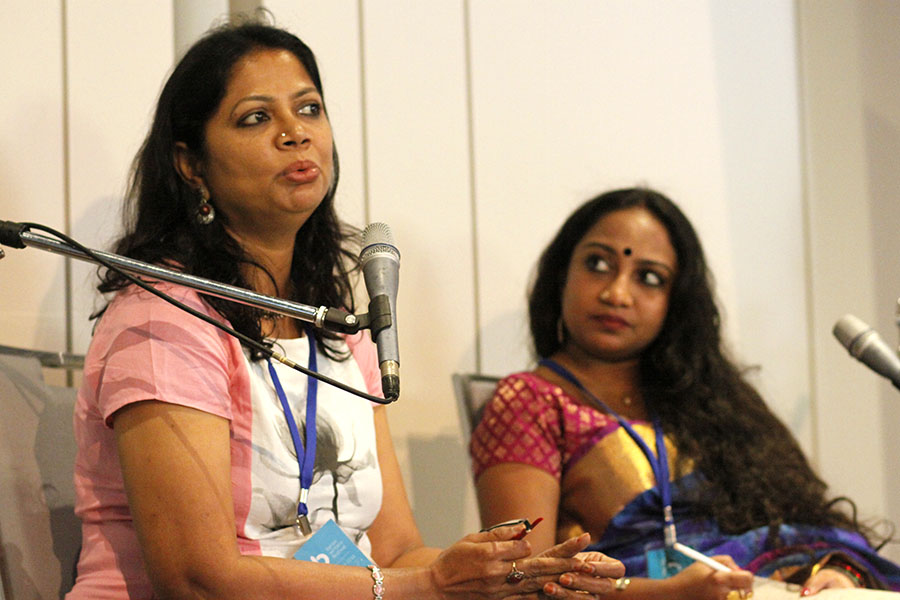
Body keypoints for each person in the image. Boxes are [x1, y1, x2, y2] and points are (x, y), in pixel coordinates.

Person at [65, 17, 626, 600]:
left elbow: (398, 552)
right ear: (191, 163)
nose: (294, 133)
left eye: (309, 109)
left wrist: (516, 579)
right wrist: (429, 585)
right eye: (257, 117)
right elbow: (198, 579)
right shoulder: (164, 318)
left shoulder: (339, 327)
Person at [470, 187, 900, 600]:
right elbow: (521, 585)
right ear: (562, 273)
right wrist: (668, 595)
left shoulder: (715, 401)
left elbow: (809, 525)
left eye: (649, 278)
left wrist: (840, 572)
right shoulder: (530, 401)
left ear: (676, 301)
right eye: (598, 265)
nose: (616, 293)